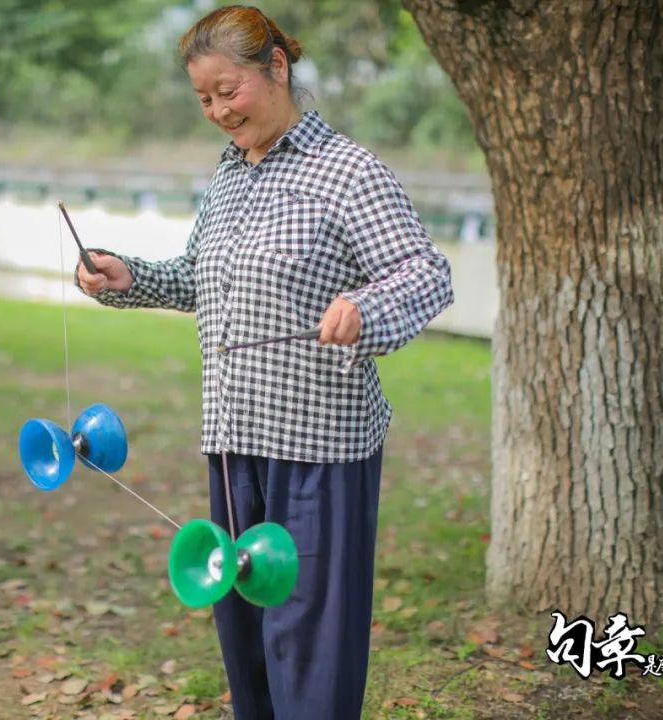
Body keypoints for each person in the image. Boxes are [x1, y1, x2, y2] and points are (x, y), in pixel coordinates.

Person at [76, 6, 453, 719]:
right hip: (233, 444)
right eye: (203, 98)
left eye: (228, 90)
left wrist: (367, 311)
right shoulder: (227, 178)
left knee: (308, 638)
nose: (217, 110)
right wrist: (131, 277)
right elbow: (199, 277)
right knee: (244, 625)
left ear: (276, 68)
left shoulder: (347, 172)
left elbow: (425, 273)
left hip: (318, 451)